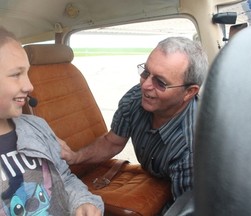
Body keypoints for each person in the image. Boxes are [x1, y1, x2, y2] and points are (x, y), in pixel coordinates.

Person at [61, 36, 208, 211]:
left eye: (160, 82)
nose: (145, 85)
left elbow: (187, 207)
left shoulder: (192, 149)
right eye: (146, 72)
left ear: (189, 92)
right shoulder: (135, 98)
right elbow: (112, 142)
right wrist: (76, 157)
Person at [0, 27, 104, 215]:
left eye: (27, 73)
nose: (29, 85)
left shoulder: (36, 127)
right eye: (16, 74)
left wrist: (82, 203)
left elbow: (64, 179)